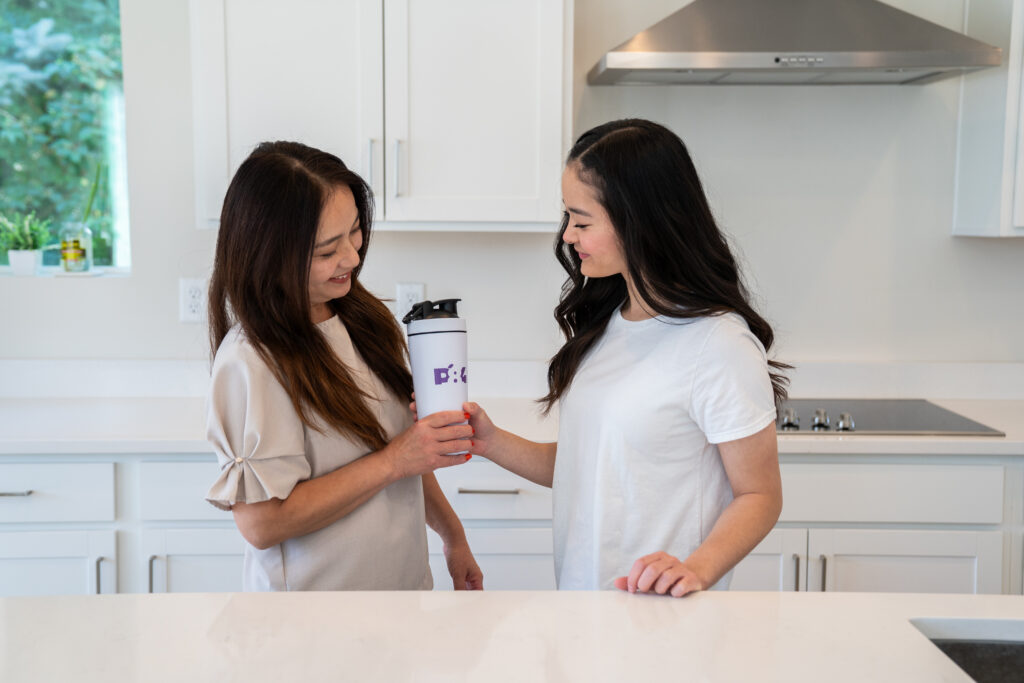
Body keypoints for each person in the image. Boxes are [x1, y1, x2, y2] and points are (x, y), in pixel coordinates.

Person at [464, 119, 787, 597]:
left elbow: (760, 495)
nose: (568, 235)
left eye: (582, 221)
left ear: (639, 220)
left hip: (665, 614)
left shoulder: (718, 345)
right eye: (567, 217)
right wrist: (490, 441)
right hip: (586, 604)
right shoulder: (608, 324)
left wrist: (696, 569)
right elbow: (590, 466)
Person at [204, 141, 482, 592]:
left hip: (401, 595)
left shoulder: (362, 318)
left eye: (354, 232)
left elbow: (405, 449)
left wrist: (452, 536)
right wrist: (393, 461)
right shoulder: (252, 360)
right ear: (269, 255)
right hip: (315, 615)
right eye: (326, 250)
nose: (352, 257)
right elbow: (262, 524)